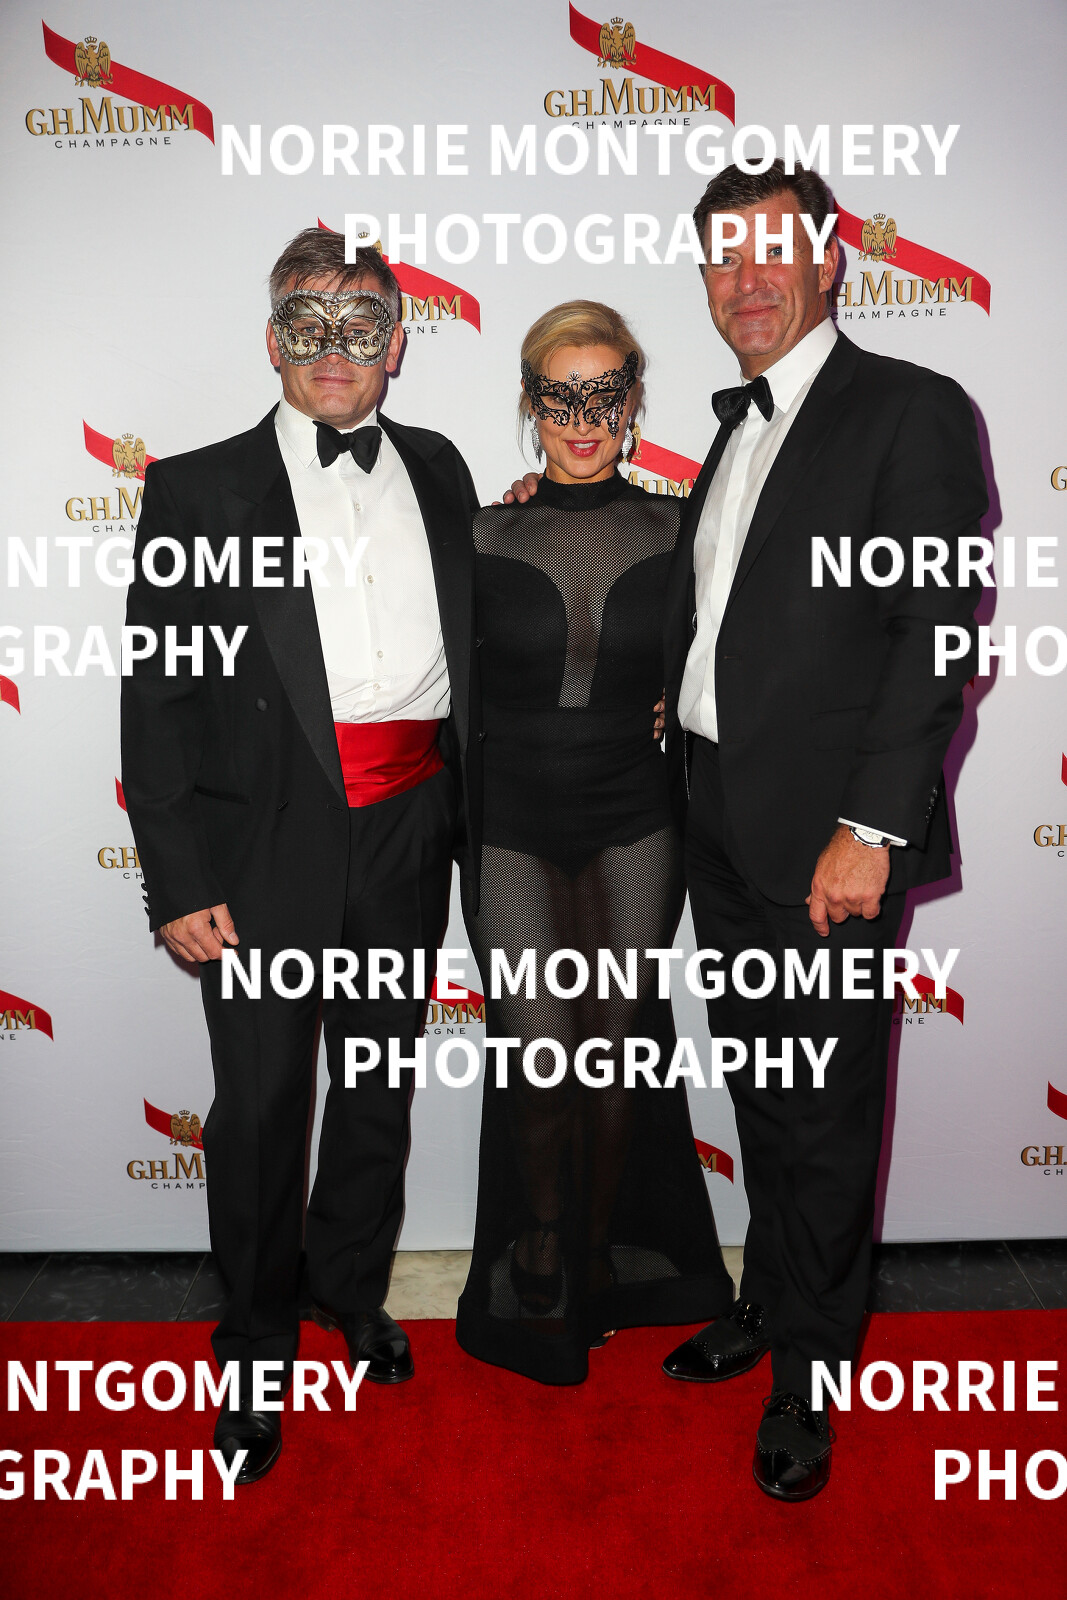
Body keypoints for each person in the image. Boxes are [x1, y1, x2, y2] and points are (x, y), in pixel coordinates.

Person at [508, 163, 986, 1498]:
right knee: (767, 1092)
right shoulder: (734, 430)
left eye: (774, 251)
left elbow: (933, 631)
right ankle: (770, 1301)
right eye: (722, 259)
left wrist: (870, 826)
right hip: (714, 817)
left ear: (831, 259)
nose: (747, 279)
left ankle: (810, 1374)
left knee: (823, 1112)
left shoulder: (910, 409)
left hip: (830, 838)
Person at [120, 228, 480, 1482]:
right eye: (309, 325)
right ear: (272, 341)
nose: (336, 350)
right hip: (261, 844)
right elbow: (157, 697)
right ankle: (256, 1343)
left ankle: (350, 1292)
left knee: (375, 1086)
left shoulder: (439, 466)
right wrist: (177, 878)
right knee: (266, 1107)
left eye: (361, 325)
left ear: (396, 344)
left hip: (410, 826)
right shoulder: (196, 490)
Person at [456, 301, 735, 1386]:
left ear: (632, 402)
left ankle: (594, 1246)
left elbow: (743, 644)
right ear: (530, 405)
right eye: (559, 396)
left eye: (603, 394)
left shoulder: (682, 527)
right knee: (538, 1056)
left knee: (614, 1052)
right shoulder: (479, 534)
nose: (582, 419)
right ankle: (538, 1234)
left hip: (635, 820)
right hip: (511, 829)